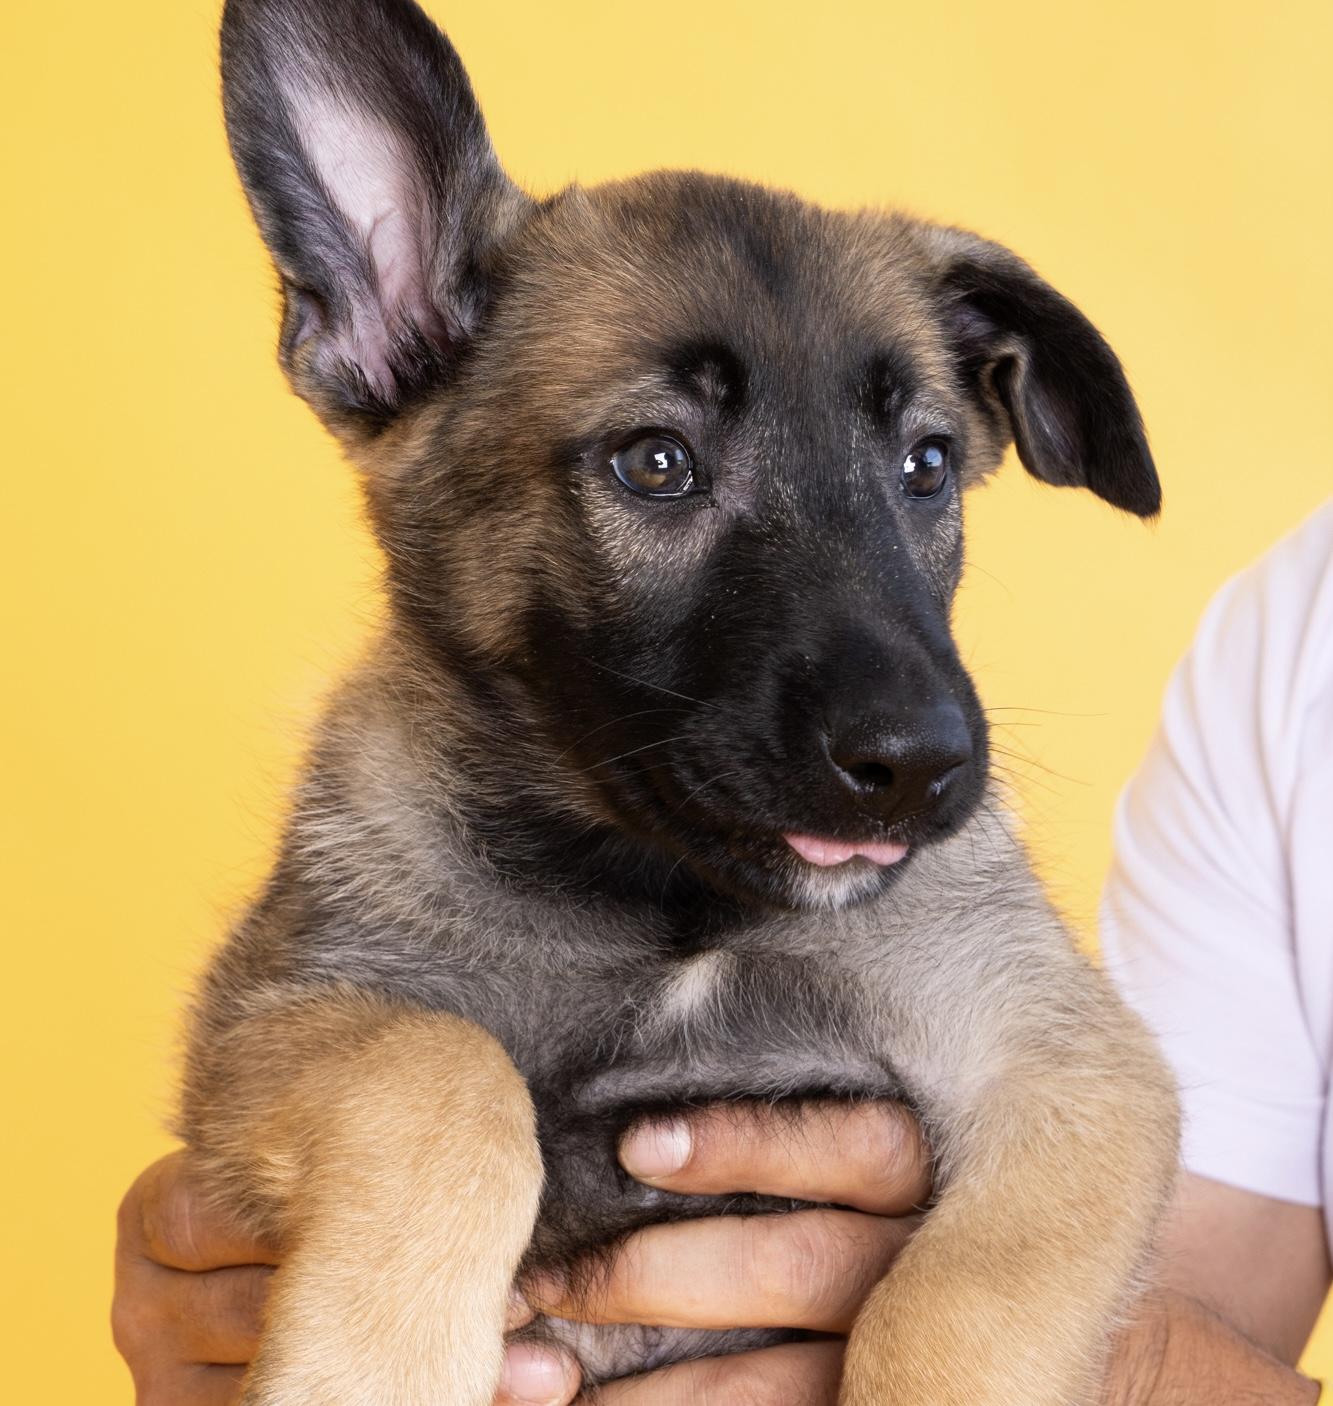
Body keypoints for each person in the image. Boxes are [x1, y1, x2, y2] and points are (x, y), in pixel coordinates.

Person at [113, 502, 1333, 1405]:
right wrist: (329, 1269)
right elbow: (1210, 1303)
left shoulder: (920, 854)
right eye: (656, 466)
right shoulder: (1291, 637)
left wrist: (1019, 1356)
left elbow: (1083, 1125)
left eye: (920, 467)